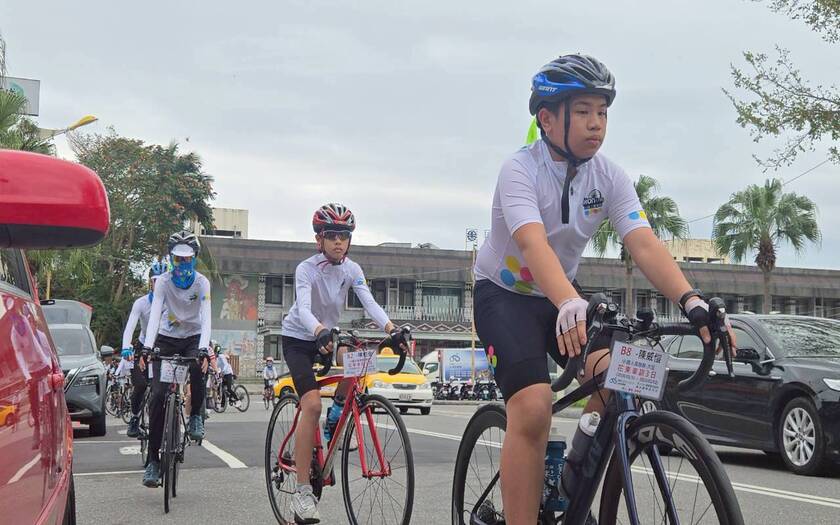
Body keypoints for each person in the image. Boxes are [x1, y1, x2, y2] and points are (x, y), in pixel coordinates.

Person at [472, 53, 737, 523]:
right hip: (505, 296)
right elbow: (533, 244)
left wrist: (692, 300)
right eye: (583, 112)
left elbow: (644, 244)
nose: (596, 123)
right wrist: (568, 301)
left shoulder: (609, 176)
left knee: (623, 380)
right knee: (533, 407)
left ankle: (573, 481)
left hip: (563, 297)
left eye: (603, 112)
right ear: (547, 119)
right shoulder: (519, 170)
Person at [281, 203, 408, 523]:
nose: (339, 241)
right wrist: (319, 331)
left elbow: (370, 303)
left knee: (359, 360)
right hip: (299, 338)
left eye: (344, 236)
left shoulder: (352, 269)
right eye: (332, 235)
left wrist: (392, 330)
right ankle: (302, 493)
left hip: (328, 337)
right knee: (311, 405)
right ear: (319, 239)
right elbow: (304, 308)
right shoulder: (306, 269)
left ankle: (337, 414)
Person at [141, 231, 212, 488]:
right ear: (171, 258)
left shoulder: (202, 283)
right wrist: (148, 347)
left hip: (193, 337)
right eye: (178, 259)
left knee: (198, 369)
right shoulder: (163, 282)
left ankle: (196, 416)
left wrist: (203, 349)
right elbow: (154, 316)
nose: (182, 263)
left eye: (187, 259)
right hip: (166, 338)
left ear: (194, 258)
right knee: (158, 396)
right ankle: (153, 461)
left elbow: (207, 316)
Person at [122, 260, 168, 438]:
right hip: (143, 347)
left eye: (162, 281)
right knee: (140, 385)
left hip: (164, 346)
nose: (158, 284)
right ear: (150, 282)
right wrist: (126, 347)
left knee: (163, 388)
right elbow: (130, 327)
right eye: (155, 280)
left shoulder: (172, 303)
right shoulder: (140, 303)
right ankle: (134, 418)